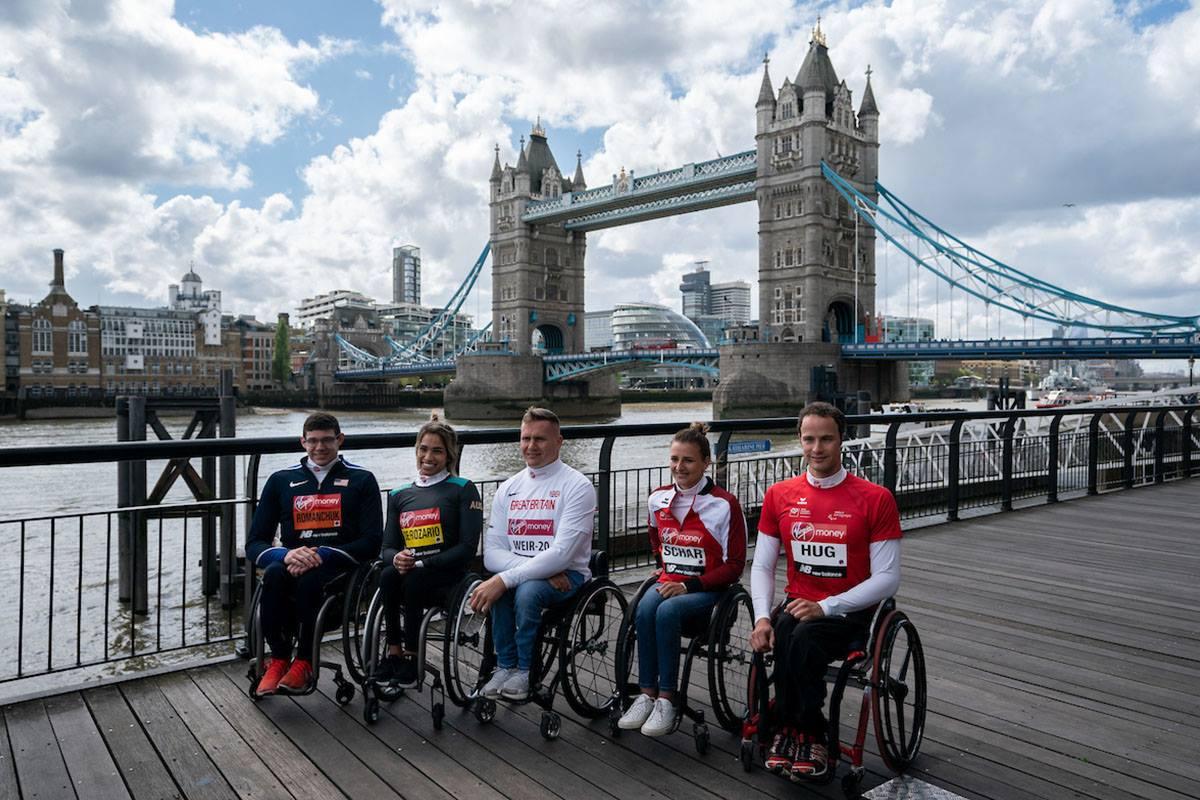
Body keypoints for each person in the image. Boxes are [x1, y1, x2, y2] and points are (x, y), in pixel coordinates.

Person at [749, 402, 901, 781]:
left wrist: (827, 605)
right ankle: (795, 728)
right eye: (809, 439)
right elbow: (763, 566)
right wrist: (762, 617)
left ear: (842, 439)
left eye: (827, 439)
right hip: (798, 608)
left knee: (800, 634)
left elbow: (887, 578)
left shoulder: (875, 498)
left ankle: (806, 731)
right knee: (785, 629)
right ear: (800, 441)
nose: (817, 448)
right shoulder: (779, 495)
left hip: (851, 613)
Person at [617, 422, 746, 736]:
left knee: (667, 610)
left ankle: (667, 699)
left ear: (706, 463)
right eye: (674, 459)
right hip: (669, 582)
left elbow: (735, 566)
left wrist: (689, 585)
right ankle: (647, 694)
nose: (679, 467)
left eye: (688, 460)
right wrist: (662, 566)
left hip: (709, 590)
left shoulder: (723, 504)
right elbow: (655, 539)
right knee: (644, 609)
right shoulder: (657, 499)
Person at [246, 412, 383, 695]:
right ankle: (279, 658)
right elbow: (254, 544)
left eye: (327, 441)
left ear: (340, 440)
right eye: (313, 441)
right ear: (303, 442)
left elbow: (371, 542)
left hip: (339, 567)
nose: (320, 448)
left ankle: (305, 662)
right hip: (291, 563)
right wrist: (284, 556)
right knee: (272, 574)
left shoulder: (362, 480)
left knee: (311, 580)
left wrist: (322, 554)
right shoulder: (280, 481)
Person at [468, 407, 596, 702]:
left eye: (540, 439)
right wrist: (538, 568)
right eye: (525, 438)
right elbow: (492, 554)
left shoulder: (577, 486)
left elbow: (563, 553)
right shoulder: (509, 488)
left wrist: (509, 577)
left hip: (571, 576)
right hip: (549, 573)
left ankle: (525, 671)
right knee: (509, 585)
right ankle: (504, 667)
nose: (531, 446)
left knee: (524, 591)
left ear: (559, 442)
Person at [374, 417, 483, 686]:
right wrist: (396, 558)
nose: (428, 456)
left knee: (412, 578)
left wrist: (422, 564)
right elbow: (386, 548)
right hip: (409, 571)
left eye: (437, 450)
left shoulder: (463, 489)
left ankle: (412, 656)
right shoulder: (399, 494)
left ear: (449, 455)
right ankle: (394, 652)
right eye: (423, 449)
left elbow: (468, 548)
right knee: (387, 575)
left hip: (447, 574)